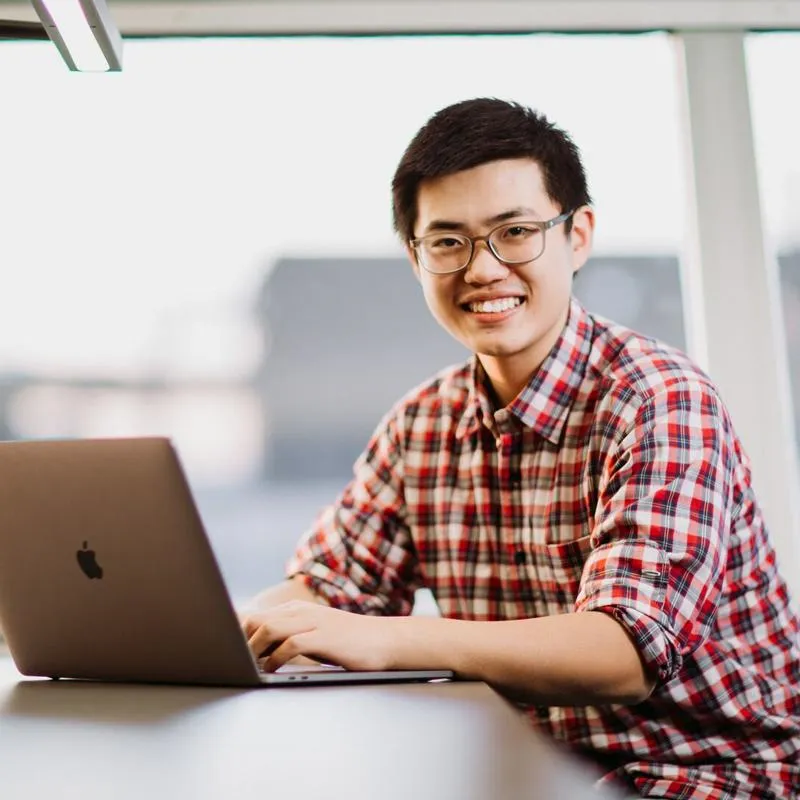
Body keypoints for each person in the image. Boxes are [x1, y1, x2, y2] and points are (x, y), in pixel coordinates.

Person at [239, 98, 800, 798]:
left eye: (515, 232)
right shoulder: (423, 423)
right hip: (533, 777)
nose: (483, 268)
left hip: (713, 775)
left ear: (579, 235)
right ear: (415, 259)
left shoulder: (660, 399)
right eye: (448, 242)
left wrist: (385, 638)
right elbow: (329, 588)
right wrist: (237, 628)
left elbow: (626, 650)